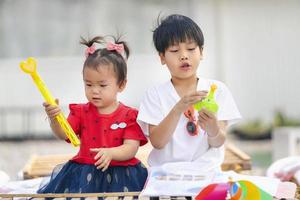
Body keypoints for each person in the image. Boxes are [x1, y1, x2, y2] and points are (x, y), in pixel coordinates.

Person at [38, 35, 148, 194]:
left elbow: (131, 148)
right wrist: (55, 118)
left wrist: (111, 153)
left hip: (122, 173)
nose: (94, 90)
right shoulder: (81, 112)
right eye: (88, 84)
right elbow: (64, 133)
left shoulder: (129, 115)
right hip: (84, 172)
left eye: (102, 85)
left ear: (121, 85)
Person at [137, 14, 241, 170]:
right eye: (174, 50)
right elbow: (157, 142)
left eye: (191, 48)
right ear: (162, 57)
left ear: (201, 52)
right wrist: (178, 108)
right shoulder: (155, 95)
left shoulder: (217, 90)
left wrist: (213, 128)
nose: (184, 55)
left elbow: (218, 141)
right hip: (166, 174)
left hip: (206, 173)